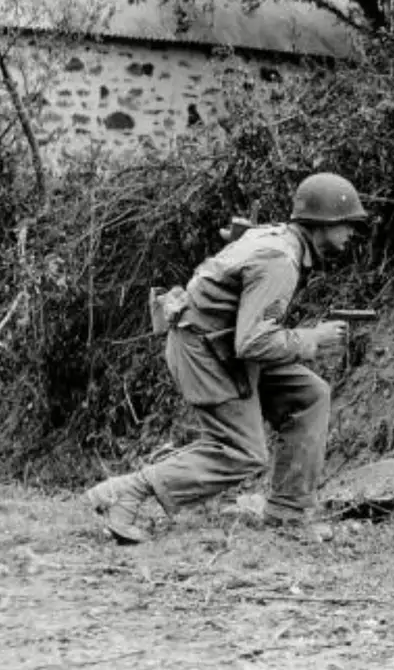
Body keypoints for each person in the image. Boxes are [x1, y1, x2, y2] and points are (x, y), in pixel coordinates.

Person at [86, 172, 371, 544]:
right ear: (324, 222)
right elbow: (253, 342)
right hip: (206, 352)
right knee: (243, 452)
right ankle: (127, 491)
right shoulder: (280, 259)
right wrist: (312, 338)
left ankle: (289, 511)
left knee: (309, 395)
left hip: (222, 343)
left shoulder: (274, 237)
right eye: (348, 223)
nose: (352, 233)